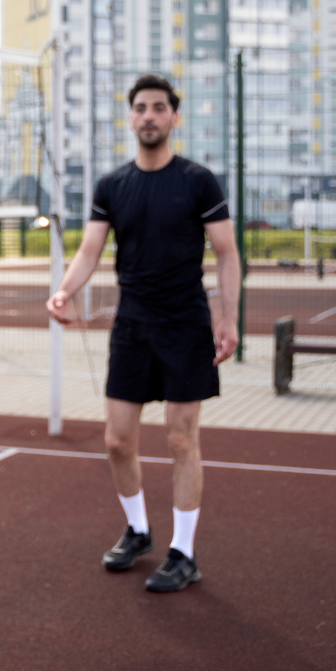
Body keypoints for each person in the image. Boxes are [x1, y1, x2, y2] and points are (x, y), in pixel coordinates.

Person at [46, 74, 240, 593]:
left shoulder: (199, 181)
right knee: (116, 440)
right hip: (132, 324)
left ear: (175, 117)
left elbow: (226, 252)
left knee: (181, 438)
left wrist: (228, 318)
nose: (149, 115)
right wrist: (64, 292)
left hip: (185, 323)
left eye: (159, 107)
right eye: (140, 108)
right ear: (130, 118)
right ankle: (138, 530)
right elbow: (89, 251)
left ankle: (184, 551)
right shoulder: (112, 185)